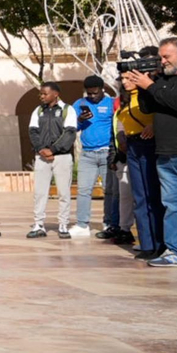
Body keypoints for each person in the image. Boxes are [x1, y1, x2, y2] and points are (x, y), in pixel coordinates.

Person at [121, 37, 177, 266]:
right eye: (161, 57)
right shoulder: (163, 79)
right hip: (166, 154)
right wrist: (143, 86)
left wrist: (151, 86)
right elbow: (148, 107)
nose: (162, 61)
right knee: (174, 205)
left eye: (166, 57)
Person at [118, 59, 164, 259]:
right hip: (132, 146)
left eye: (129, 78)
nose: (125, 82)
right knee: (139, 196)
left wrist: (154, 125)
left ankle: (160, 243)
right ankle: (146, 243)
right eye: (122, 78)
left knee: (152, 194)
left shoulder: (147, 96)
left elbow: (162, 115)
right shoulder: (125, 99)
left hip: (148, 144)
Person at [27, 82, 78, 239]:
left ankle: (63, 224)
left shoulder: (67, 110)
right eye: (41, 94)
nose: (42, 96)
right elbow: (33, 131)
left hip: (62, 157)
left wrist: (53, 149)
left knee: (63, 192)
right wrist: (41, 149)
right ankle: (39, 224)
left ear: (55, 94)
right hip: (41, 157)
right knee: (40, 192)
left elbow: (70, 133)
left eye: (45, 93)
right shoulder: (38, 110)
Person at [71, 75, 116, 239]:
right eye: (88, 93)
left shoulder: (111, 103)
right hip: (87, 154)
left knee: (109, 191)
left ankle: (109, 223)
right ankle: (82, 224)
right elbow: (73, 128)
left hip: (106, 153)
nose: (91, 96)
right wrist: (79, 120)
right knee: (83, 190)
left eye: (95, 93)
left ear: (102, 89)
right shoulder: (79, 104)